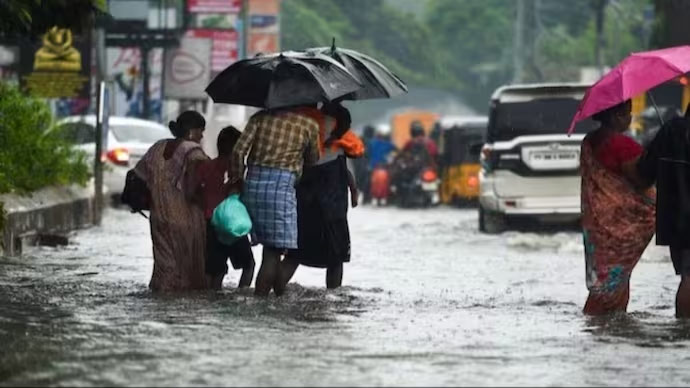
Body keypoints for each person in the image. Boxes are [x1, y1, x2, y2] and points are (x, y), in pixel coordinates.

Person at [231, 106, 320, 297]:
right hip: (281, 189)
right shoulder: (308, 125)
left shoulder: (259, 118)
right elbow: (313, 159)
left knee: (269, 247)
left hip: (252, 186)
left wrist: (238, 178)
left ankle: (278, 296)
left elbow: (238, 151)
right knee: (273, 252)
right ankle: (262, 301)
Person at [580, 100, 656, 315]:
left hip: (598, 223)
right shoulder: (621, 145)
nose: (630, 118)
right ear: (615, 117)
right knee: (614, 280)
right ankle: (604, 321)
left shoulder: (589, 141)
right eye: (627, 113)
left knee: (609, 277)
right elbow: (641, 180)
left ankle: (603, 324)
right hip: (622, 224)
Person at [278, 102, 364, 291]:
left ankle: (275, 291)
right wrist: (354, 191)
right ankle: (333, 296)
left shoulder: (306, 135)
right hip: (333, 212)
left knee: (294, 256)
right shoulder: (340, 145)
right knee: (336, 259)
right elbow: (347, 173)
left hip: (305, 208)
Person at [134, 111, 210, 292]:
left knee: (164, 265)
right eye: (201, 131)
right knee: (187, 270)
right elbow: (192, 190)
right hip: (186, 219)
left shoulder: (157, 147)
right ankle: (178, 307)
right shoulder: (193, 151)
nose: (202, 136)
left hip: (159, 216)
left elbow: (139, 174)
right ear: (192, 131)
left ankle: (161, 299)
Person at [636, 108, 690, 318]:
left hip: (677, 218)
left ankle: (683, 331)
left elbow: (644, 173)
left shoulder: (670, 130)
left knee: (687, 275)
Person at [196, 126, 255, 290]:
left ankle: (211, 298)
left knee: (216, 269)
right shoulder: (238, 170)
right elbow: (242, 193)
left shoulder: (205, 166)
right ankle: (242, 296)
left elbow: (195, 191)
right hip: (232, 223)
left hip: (210, 222)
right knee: (248, 265)